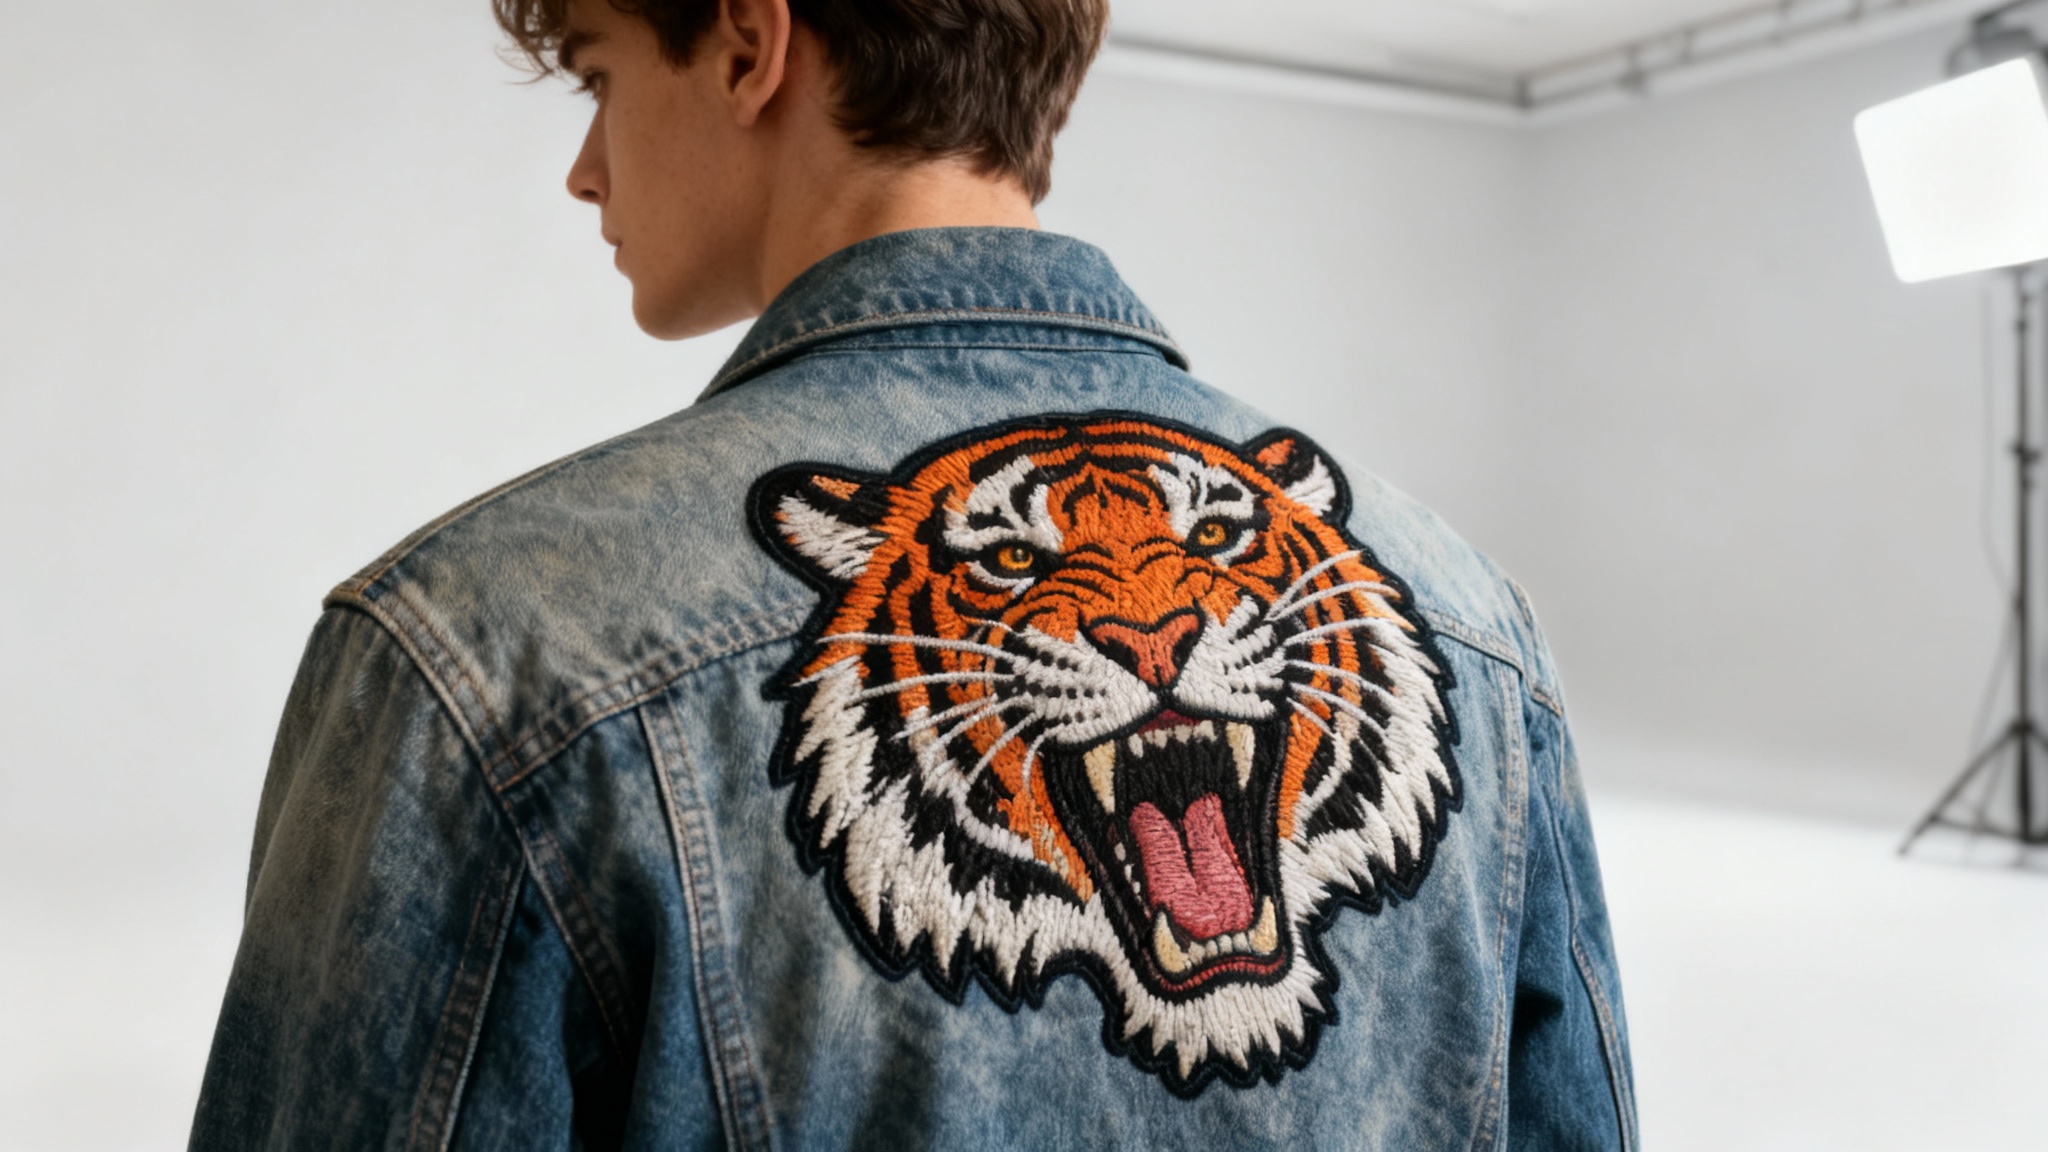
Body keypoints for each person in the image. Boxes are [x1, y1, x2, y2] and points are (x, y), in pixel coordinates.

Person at [189, 0, 1637, 1147]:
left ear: (750, 43)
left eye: (599, 73)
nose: (586, 167)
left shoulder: (487, 644)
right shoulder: (1468, 613)